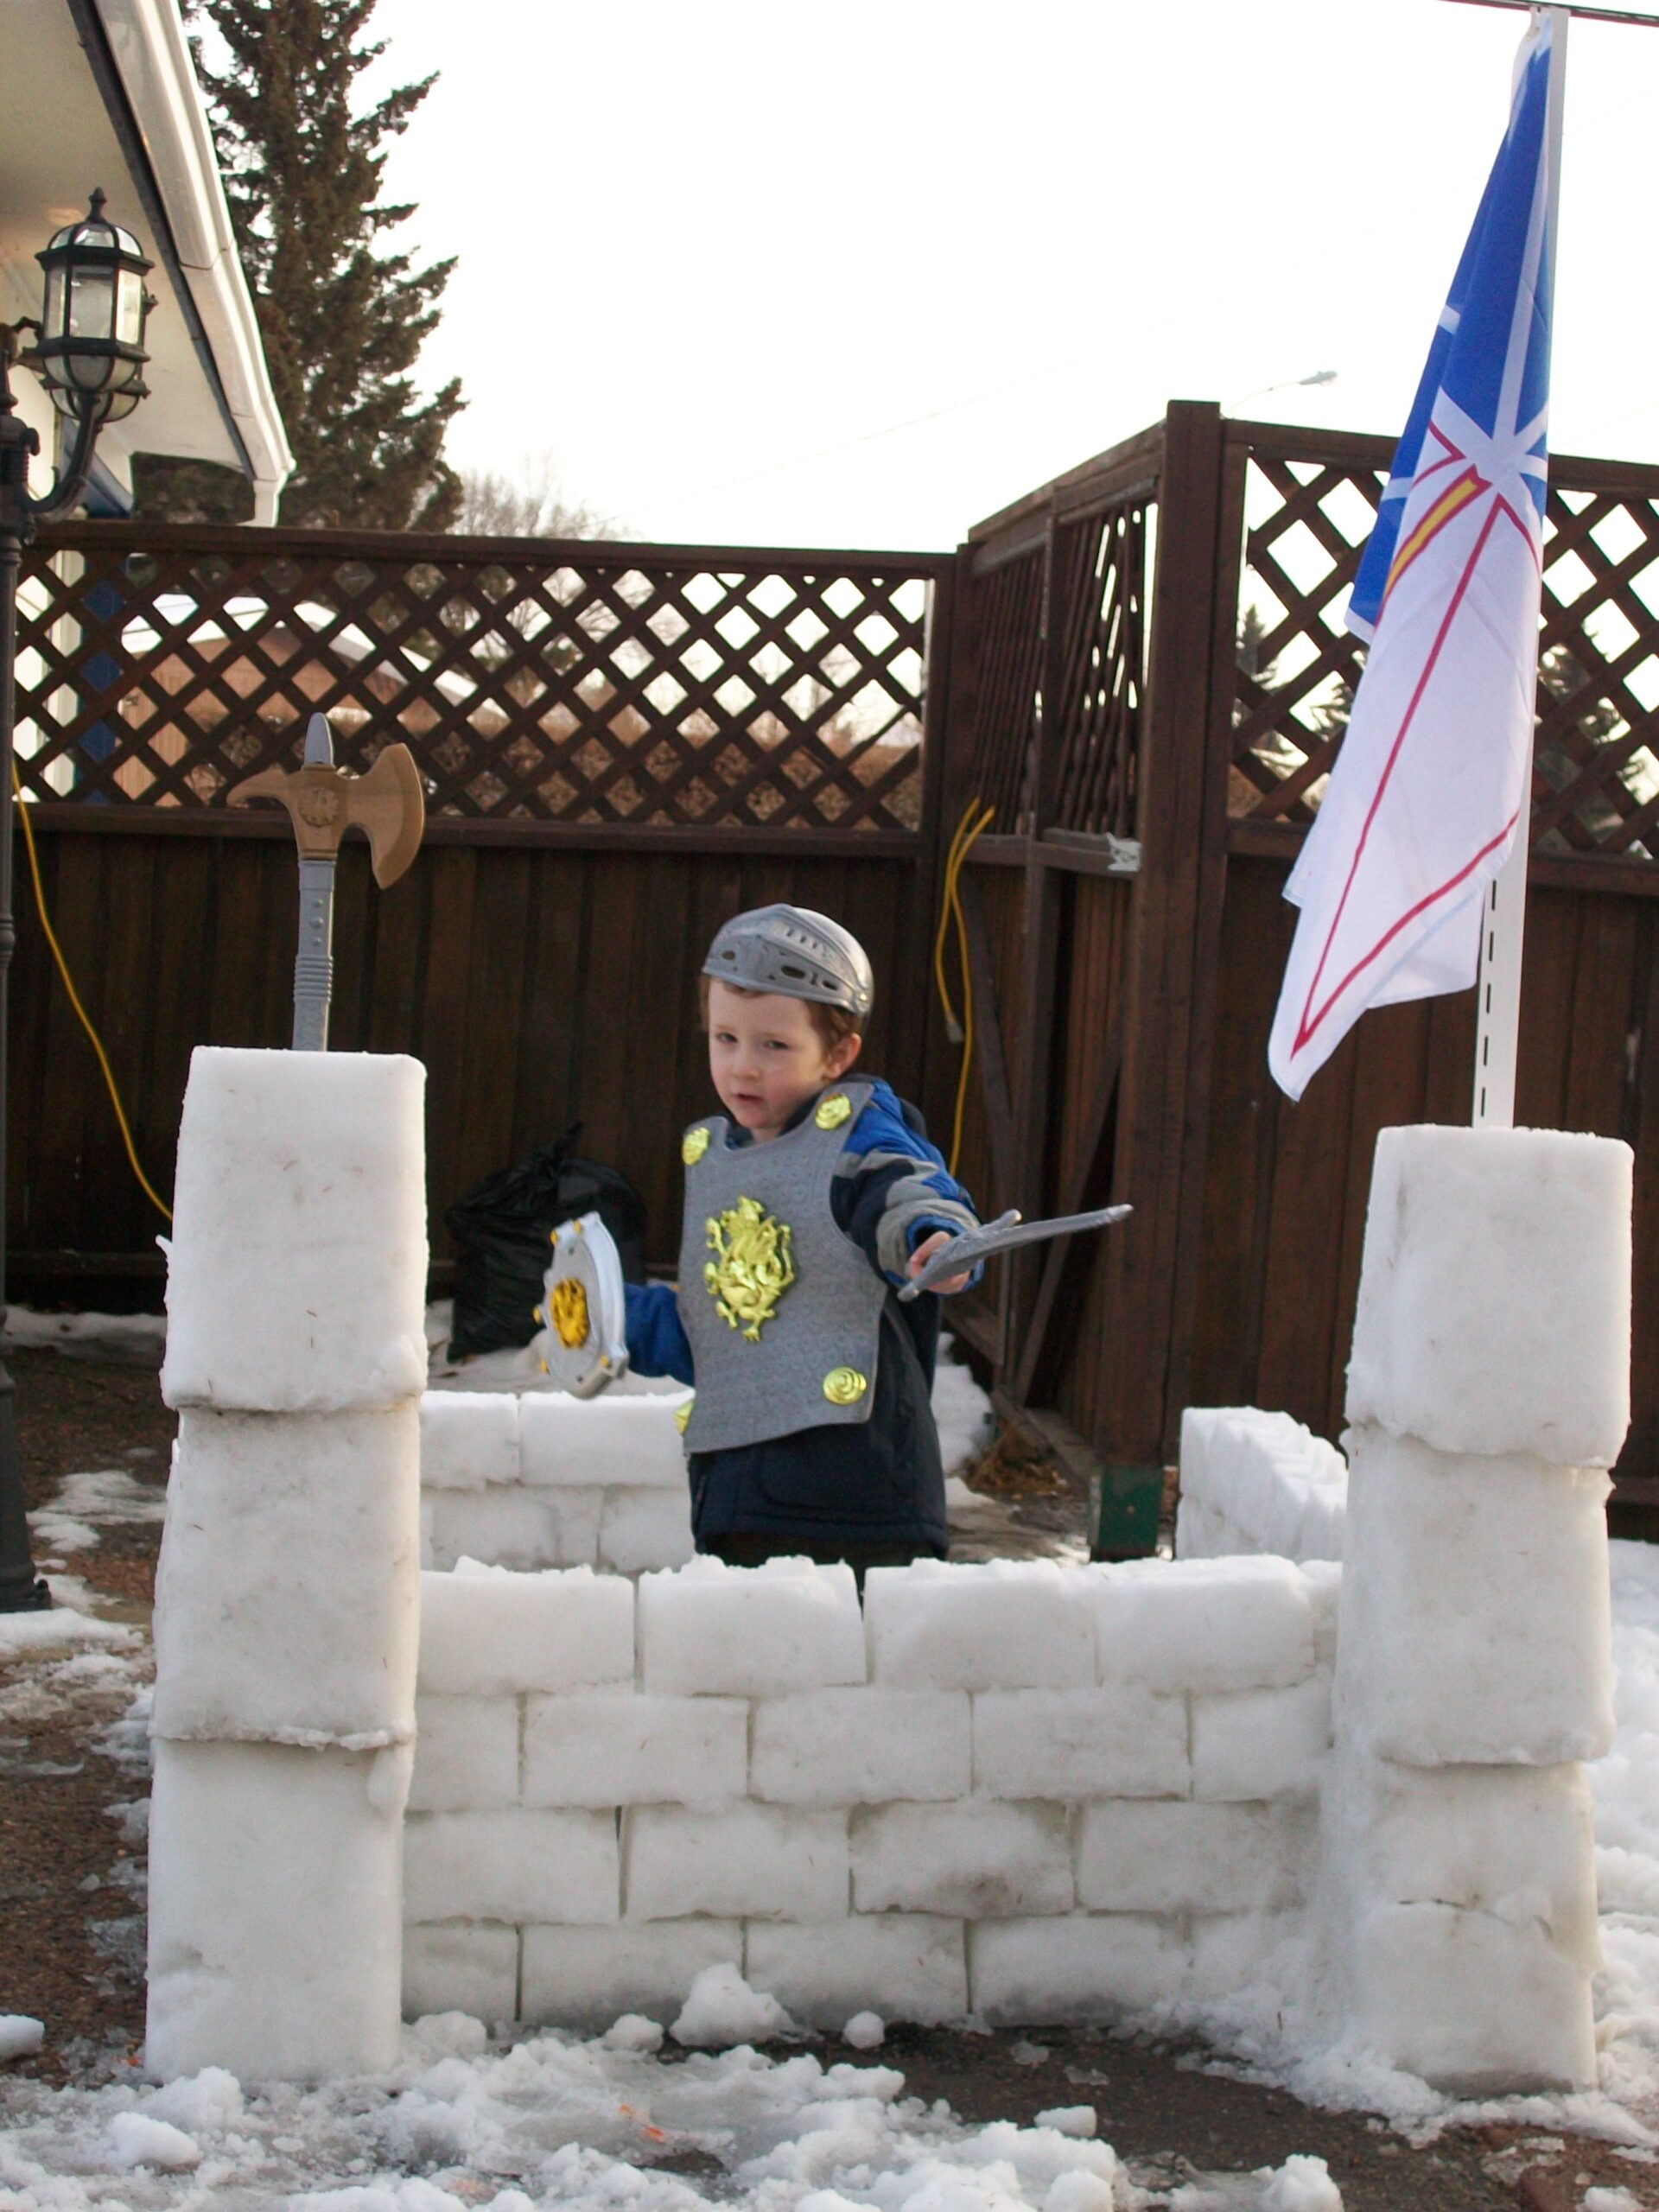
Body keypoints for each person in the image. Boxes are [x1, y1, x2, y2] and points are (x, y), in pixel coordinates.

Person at [623, 904, 981, 1578]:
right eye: (726, 1038)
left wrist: (931, 1237)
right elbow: (727, 1336)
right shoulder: (721, 1159)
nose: (743, 1068)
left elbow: (904, 1190)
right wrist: (615, 1317)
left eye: (774, 1046)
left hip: (860, 1504)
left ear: (837, 1055)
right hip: (738, 1501)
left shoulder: (858, 1139)